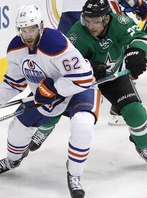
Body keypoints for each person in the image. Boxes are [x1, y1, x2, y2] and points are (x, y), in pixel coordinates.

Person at [0, 4, 101, 198]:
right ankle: (13, 161)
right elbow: (13, 83)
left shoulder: (55, 43)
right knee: (17, 128)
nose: (28, 34)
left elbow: (84, 78)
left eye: (32, 29)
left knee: (83, 125)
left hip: (79, 90)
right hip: (44, 96)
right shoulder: (16, 48)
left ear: (41, 26)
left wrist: (54, 88)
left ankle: (75, 174)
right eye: (23, 30)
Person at [31, 0, 147, 163]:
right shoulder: (77, 33)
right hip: (83, 78)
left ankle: (143, 144)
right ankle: (44, 129)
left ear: (106, 19)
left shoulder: (120, 22)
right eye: (88, 20)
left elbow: (140, 37)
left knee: (135, 112)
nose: (91, 26)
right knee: (57, 100)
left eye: (96, 21)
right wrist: (88, 67)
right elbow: (64, 64)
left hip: (113, 75)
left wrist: (138, 53)